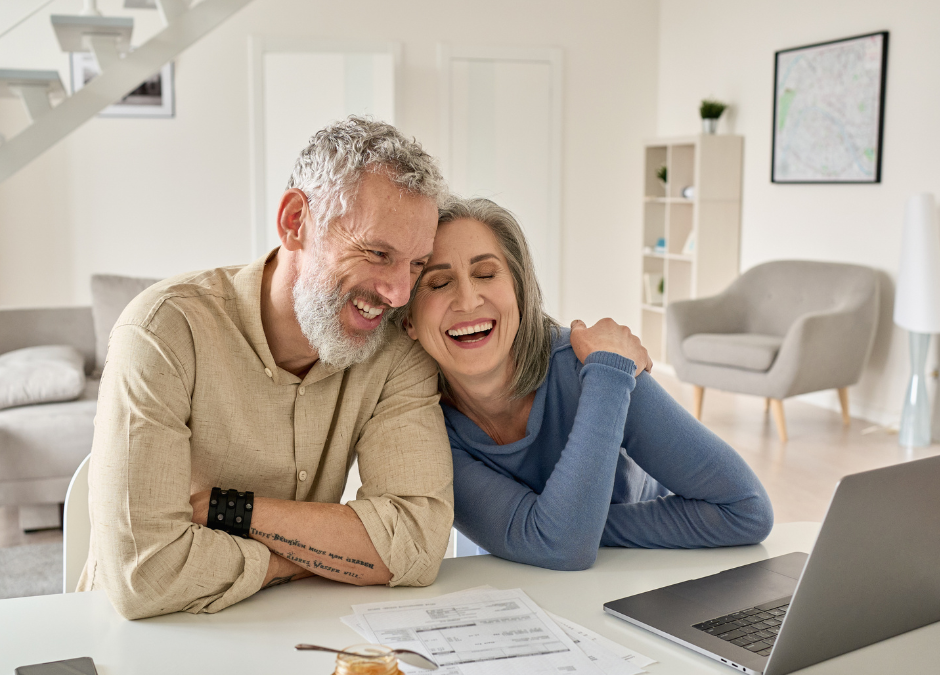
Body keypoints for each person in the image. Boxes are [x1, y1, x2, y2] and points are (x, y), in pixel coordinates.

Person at [78, 117, 455, 619]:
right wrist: (310, 558)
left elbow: (416, 541)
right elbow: (145, 575)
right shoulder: (163, 330)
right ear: (296, 221)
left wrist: (227, 509)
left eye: (415, 264)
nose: (399, 293)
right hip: (136, 639)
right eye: (377, 253)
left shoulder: (395, 350)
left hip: (282, 631)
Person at [403, 197, 774, 570]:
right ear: (408, 322)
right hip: (522, 589)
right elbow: (560, 544)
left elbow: (746, 509)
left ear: (518, 291)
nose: (468, 300)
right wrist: (560, 529)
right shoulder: (421, 428)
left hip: (643, 575)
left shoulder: (598, 368)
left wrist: (564, 526)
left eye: (486, 274)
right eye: (438, 282)